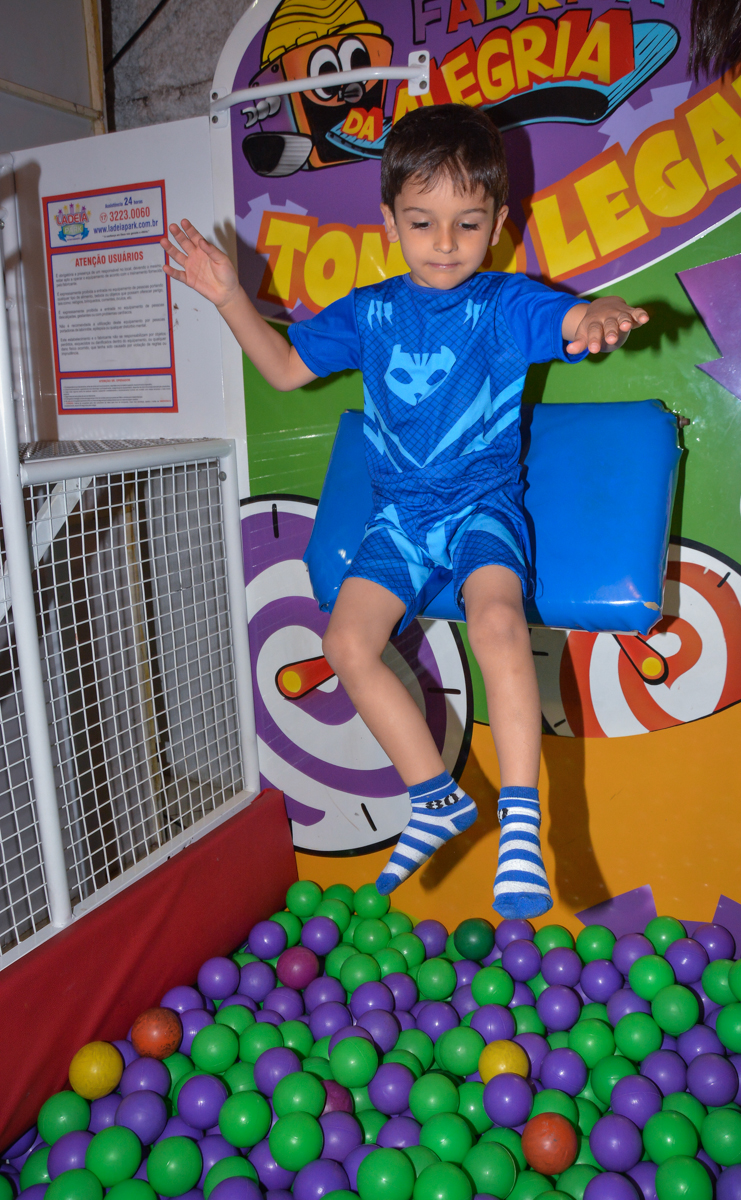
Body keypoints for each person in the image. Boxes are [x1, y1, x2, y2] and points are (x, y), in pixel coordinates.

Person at [161, 103, 648, 919]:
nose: (445, 242)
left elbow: (565, 319)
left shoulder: (505, 303)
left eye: (466, 223)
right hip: (399, 520)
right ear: (390, 221)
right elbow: (283, 368)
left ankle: (522, 823)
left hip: (481, 510)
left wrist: (595, 317)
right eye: (422, 223)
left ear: (498, 224)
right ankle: (434, 795)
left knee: (496, 623)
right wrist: (225, 296)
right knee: (346, 642)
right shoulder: (371, 312)